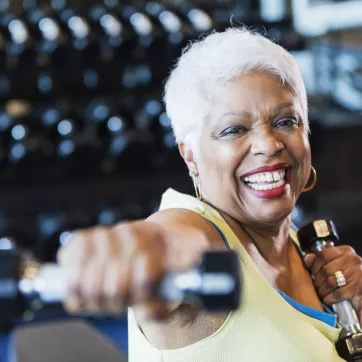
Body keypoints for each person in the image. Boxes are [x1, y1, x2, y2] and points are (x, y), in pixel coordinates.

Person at [58, 27, 362, 361]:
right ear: (190, 155)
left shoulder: (299, 247)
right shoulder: (199, 239)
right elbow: (168, 244)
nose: (269, 144)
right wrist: (126, 255)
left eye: (286, 121)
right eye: (234, 129)